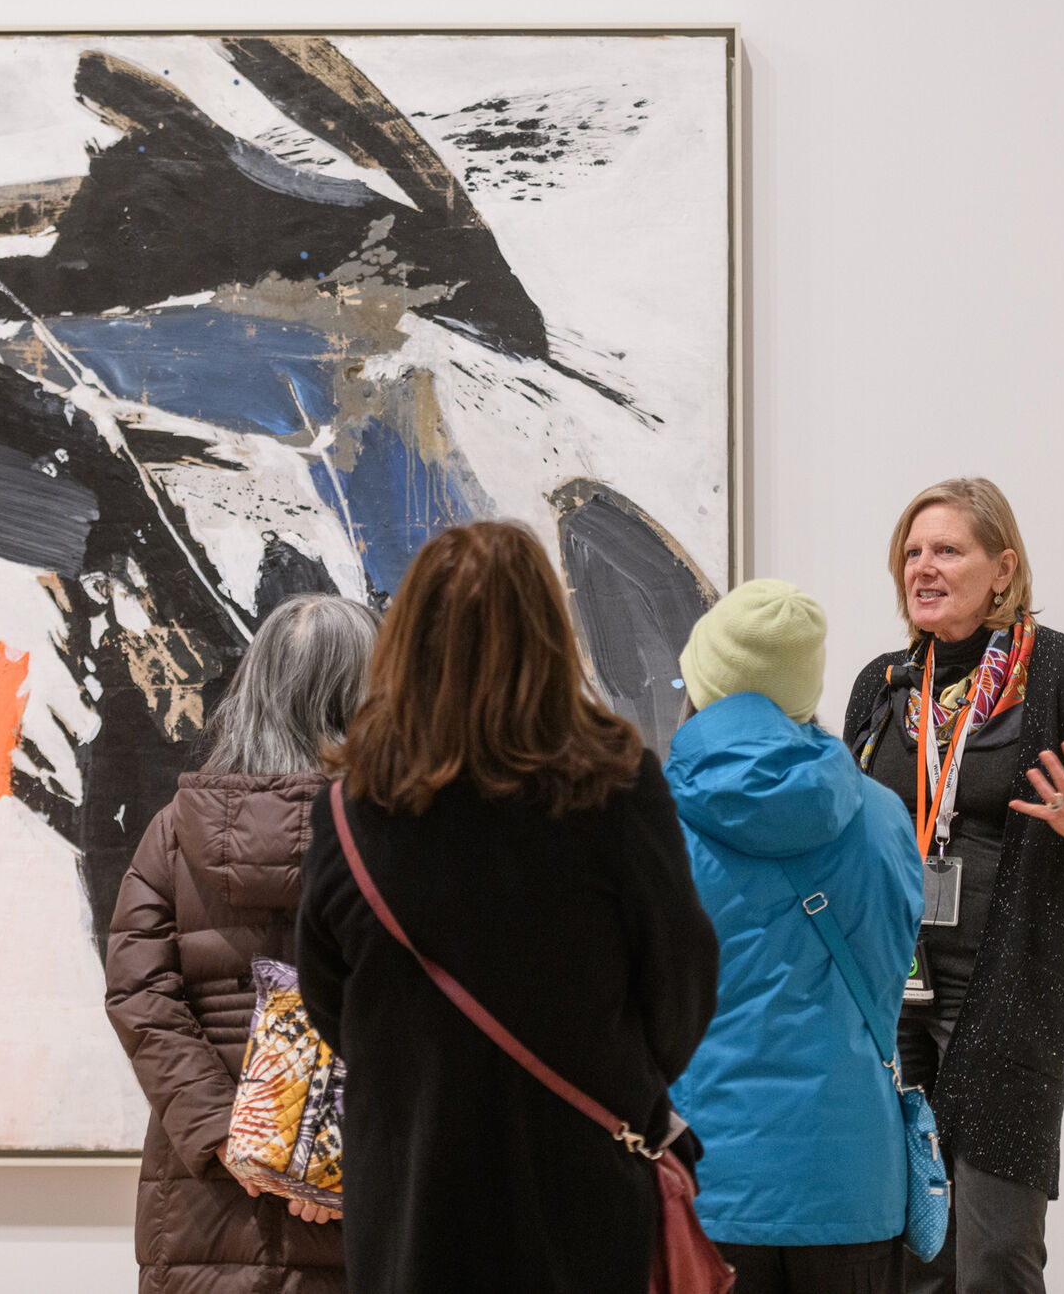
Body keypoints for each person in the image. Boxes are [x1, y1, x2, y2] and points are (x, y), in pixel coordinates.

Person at [295, 521, 720, 1294]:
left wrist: (418, 1070)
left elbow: (328, 1003)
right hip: (582, 1187)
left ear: (409, 640)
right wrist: (615, 1069)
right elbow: (682, 984)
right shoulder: (617, 785)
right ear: (548, 634)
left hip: (412, 1196)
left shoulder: (354, 807)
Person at [843, 477, 1064, 1294]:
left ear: (1004, 569)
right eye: (912, 551)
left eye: (947, 549)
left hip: (1007, 1007)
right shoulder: (883, 688)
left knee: (994, 1258)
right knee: (908, 1257)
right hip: (890, 1003)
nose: (924, 567)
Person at [105, 592, 381, 1294]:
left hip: (208, 1205)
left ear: (254, 691)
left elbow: (138, 993)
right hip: (367, 1201)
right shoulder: (403, 838)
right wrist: (336, 1153)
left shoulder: (173, 832)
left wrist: (235, 1137)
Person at [665, 578, 924, 1294]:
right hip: (854, 1180)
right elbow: (894, 964)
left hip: (710, 1175)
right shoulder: (881, 813)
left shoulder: (654, 820)